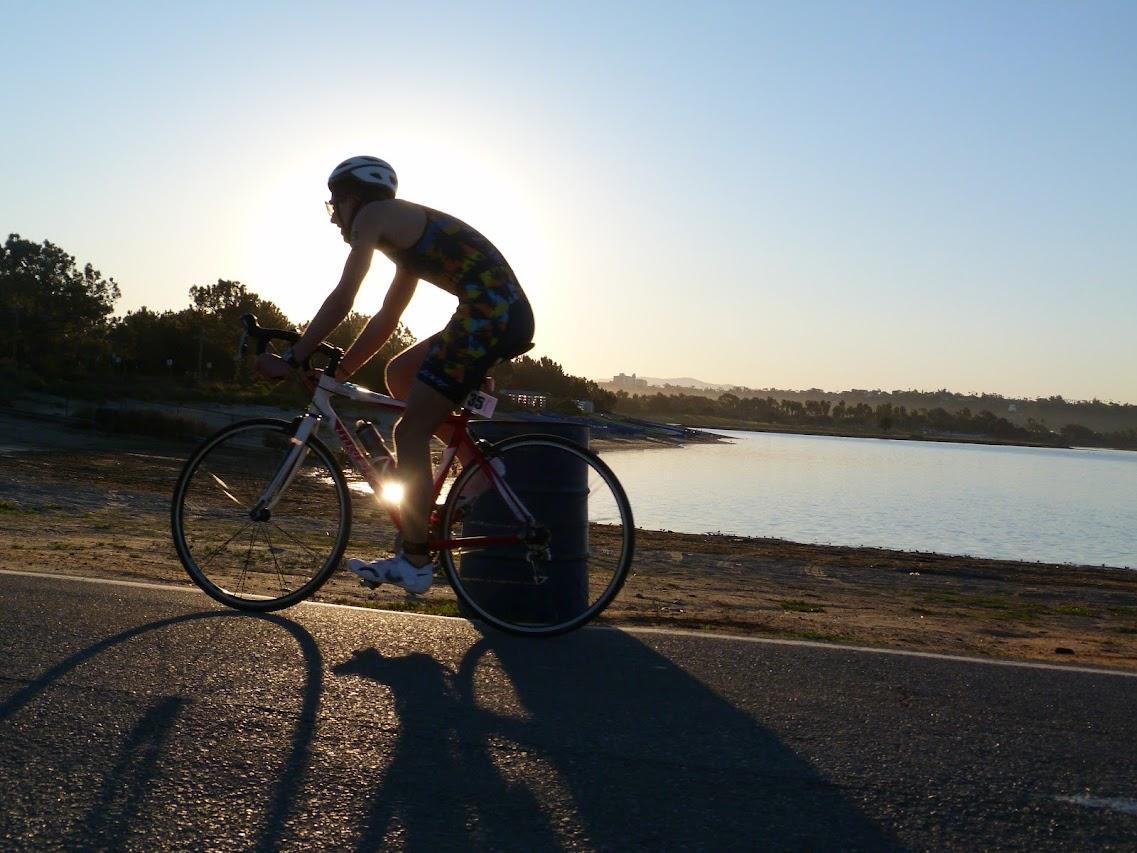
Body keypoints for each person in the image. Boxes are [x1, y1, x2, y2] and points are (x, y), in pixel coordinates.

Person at [256, 155, 534, 593]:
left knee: (409, 432)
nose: (334, 218)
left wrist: (292, 357)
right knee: (400, 374)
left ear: (352, 198)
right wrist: (341, 371)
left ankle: (417, 561)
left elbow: (344, 296)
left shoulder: (373, 216)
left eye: (334, 205)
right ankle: (476, 467)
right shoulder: (405, 236)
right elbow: (387, 318)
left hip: (490, 317)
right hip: (496, 314)